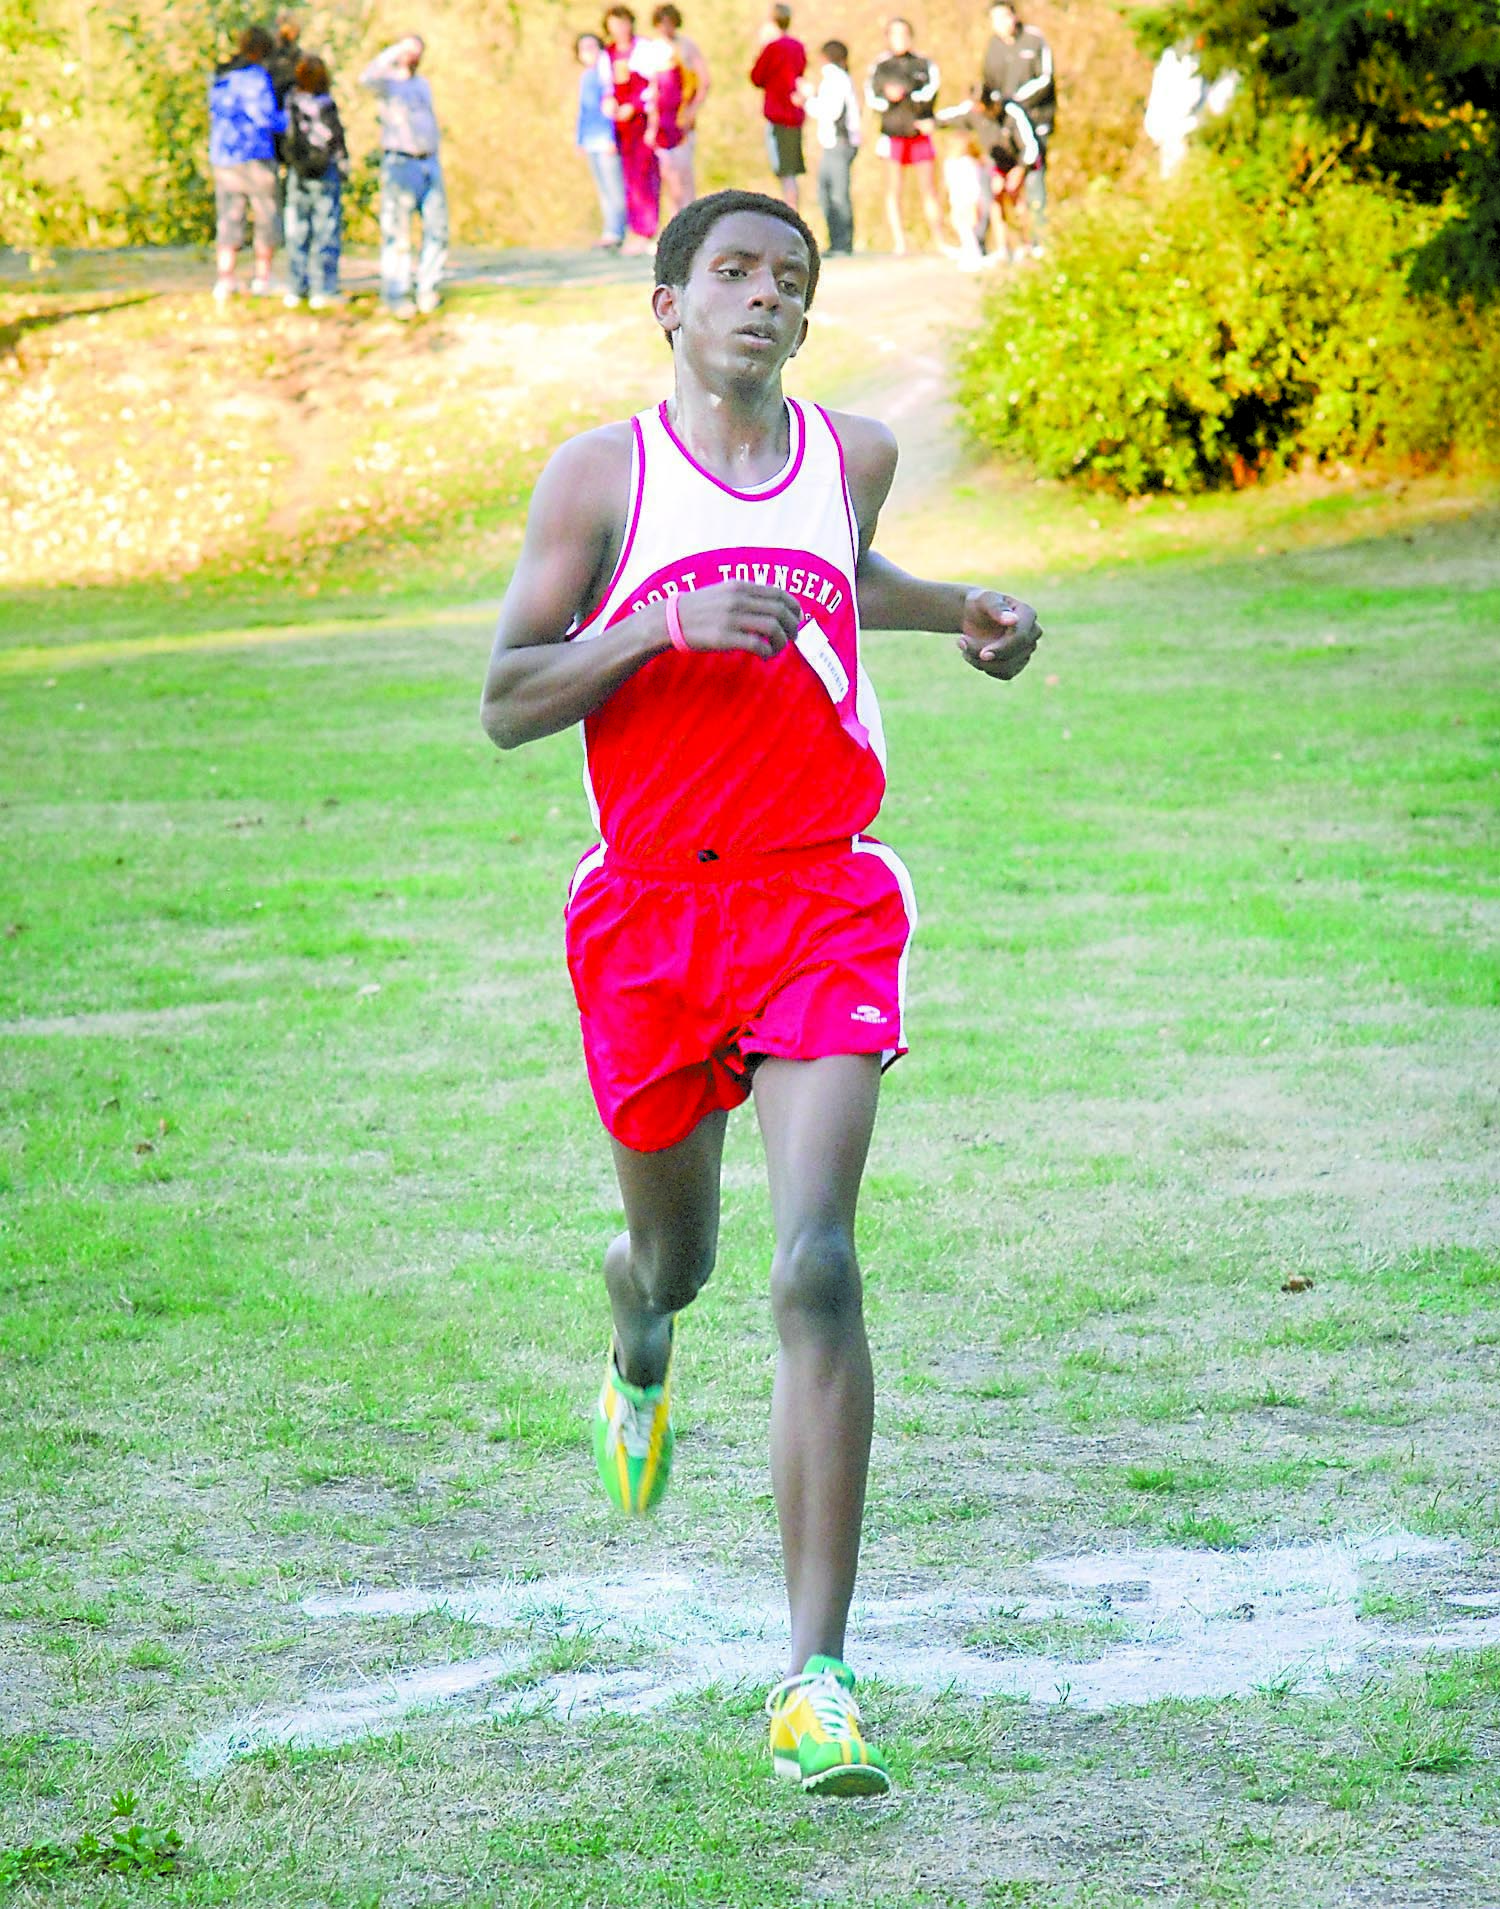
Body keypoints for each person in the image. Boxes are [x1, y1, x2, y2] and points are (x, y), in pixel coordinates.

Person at [478, 187, 1041, 1798]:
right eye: (732, 272)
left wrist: (961, 617)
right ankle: (637, 1334)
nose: (765, 298)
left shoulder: (847, 450)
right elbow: (510, 699)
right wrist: (653, 626)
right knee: (688, 1254)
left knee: (816, 1261)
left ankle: (816, 1677)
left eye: (791, 280)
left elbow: (837, 572)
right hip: (653, 917)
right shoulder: (602, 477)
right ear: (669, 304)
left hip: (816, 892)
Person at [360, 33, 447, 317]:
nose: (413, 56)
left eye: (417, 52)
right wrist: (394, 51)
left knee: (437, 229)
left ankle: (427, 287)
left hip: (429, 161)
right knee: (397, 232)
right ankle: (397, 292)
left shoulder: (423, 85)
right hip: (400, 162)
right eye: (409, 51)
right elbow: (366, 78)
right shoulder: (387, 84)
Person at [209, 24, 286, 302]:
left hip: (224, 156)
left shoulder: (221, 76)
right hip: (254, 155)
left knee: (229, 217)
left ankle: (225, 278)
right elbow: (264, 117)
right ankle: (263, 277)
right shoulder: (256, 78)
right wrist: (288, 120)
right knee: (266, 216)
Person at [865, 18, 942, 255]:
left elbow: (931, 91)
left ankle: (938, 239)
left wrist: (906, 93)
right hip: (892, 134)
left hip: (918, 131)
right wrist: (888, 98)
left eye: (904, 34)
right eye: (895, 34)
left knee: (928, 188)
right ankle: (900, 243)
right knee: (893, 188)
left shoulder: (924, 63)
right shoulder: (880, 65)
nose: (900, 39)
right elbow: (872, 97)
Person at [980, 2, 1053, 253]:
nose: (1001, 23)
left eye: (1004, 17)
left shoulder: (1033, 40)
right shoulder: (993, 47)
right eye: (995, 19)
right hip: (1007, 124)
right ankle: (1010, 243)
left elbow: (1045, 78)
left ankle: (1039, 238)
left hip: (1035, 118)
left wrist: (1017, 100)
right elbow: (988, 85)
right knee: (1002, 183)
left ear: (1014, 16)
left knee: (1034, 176)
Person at [282, 53, 347, 307]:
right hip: (324, 171)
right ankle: (324, 287)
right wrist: (342, 166)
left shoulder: (291, 102)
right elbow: (335, 139)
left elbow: (285, 134)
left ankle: (297, 286)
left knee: (298, 230)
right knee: (326, 229)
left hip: (298, 171)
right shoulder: (325, 105)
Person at [602, 7, 660, 255]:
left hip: (642, 123)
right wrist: (610, 104)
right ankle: (633, 230)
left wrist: (635, 106)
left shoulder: (643, 49)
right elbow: (606, 88)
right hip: (620, 126)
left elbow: (652, 85)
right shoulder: (609, 54)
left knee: (644, 176)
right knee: (628, 179)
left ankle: (646, 230)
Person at [644, 6, 710, 218]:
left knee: (684, 174)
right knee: (668, 175)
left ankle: (690, 220)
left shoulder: (686, 47)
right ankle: (674, 221)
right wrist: (652, 125)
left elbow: (703, 81)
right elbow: (653, 90)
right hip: (663, 121)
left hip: (681, 119)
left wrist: (692, 110)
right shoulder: (654, 49)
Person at [805, 39, 860, 256]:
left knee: (836, 193)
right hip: (835, 143)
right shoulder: (839, 78)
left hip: (839, 142)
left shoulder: (834, 79)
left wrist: (809, 99)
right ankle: (837, 241)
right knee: (827, 191)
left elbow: (831, 111)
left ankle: (842, 242)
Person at [749, 5, 807, 210]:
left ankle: (791, 214)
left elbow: (757, 76)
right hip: (794, 114)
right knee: (788, 170)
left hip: (779, 114)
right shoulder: (797, 46)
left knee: (785, 172)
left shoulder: (773, 48)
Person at [575, 31, 626, 247]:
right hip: (590, 140)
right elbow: (584, 111)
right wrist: (580, 140)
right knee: (603, 187)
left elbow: (607, 108)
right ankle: (609, 229)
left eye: (592, 47)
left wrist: (610, 137)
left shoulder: (606, 75)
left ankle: (618, 231)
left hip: (605, 140)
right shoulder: (586, 76)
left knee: (615, 187)